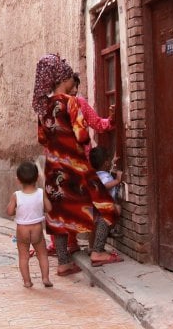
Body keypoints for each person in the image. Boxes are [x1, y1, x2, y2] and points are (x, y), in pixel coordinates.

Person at [32, 54, 123, 274]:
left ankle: (63, 263)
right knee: (107, 206)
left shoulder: (43, 108)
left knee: (60, 215)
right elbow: (82, 136)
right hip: (76, 167)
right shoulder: (70, 103)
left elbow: (42, 139)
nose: (74, 82)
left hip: (54, 169)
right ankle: (98, 251)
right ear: (63, 78)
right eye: (70, 77)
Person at [45, 72, 115, 256]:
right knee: (103, 206)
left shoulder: (47, 106)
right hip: (78, 165)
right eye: (73, 85)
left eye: (77, 86)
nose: (75, 90)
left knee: (62, 208)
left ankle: (66, 253)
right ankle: (93, 250)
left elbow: (44, 139)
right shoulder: (77, 104)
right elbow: (86, 133)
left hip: (57, 165)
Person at [6, 161, 53, 288]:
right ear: (37, 178)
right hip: (37, 228)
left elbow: (9, 212)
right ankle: (45, 278)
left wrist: (14, 205)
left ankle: (27, 281)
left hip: (22, 230)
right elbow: (49, 208)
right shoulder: (40, 193)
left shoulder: (16, 196)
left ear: (18, 180)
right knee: (42, 254)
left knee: (23, 256)